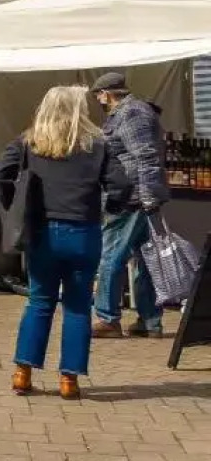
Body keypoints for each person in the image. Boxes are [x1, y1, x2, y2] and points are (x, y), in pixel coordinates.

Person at [0, 86, 131, 401]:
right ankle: (69, 379)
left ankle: (22, 373)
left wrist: (16, 205)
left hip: (43, 232)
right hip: (84, 231)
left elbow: (0, 173)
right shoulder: (97, 144)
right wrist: (109, 208)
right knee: (78, 306)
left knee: (39, 302)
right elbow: (121, 185)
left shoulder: (29, 141)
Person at [90, 73, 170, 340]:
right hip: (135, 196)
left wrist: (147, 197)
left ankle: (107, 318)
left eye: (97, 95)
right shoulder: (131, 113)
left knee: (111, 255)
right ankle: (149, 320)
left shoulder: (132, 113)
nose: (98, 100)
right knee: (144, 259)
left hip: (130, 197)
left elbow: (146, 156)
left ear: (106, 93)